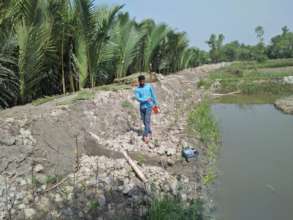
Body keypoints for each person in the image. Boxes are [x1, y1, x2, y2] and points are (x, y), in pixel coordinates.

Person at [134, 75, 158, 143]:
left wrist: (156, 103)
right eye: (141, 81)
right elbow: (138, 99)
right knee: (144, 121)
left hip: (149, 106)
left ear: (144, 80)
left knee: (147, 120)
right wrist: (146, 99)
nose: (142, 82)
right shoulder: (137, 90)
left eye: (143, 81)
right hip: (142, 107)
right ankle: (149, 131)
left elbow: (153, 95)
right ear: (139, 81)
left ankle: (145, 135)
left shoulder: (149, 86)